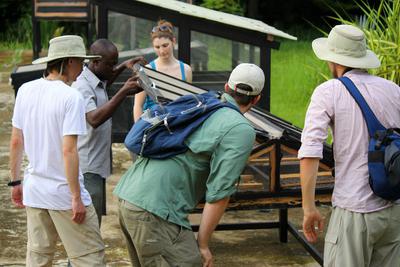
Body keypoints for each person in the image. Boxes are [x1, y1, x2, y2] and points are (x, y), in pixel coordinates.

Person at [115, 63, 265, 266]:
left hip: (129, 193)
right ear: (257, 98)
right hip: (154, 209)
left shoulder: (204, 102)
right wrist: (202, 244)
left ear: (226, 87)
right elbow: (220, 192)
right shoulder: (240, 128)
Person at [299, 24, 400, 266]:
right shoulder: (393, 90)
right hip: (394, 209)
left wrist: (309, 208)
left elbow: (310, 151)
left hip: (354, 209)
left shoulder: (328, 91)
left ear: (333, 61)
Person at [9, 35, 106, 266]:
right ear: (69, 61)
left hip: (35, 190)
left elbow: (15, 141)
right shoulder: (72, 96)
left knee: (39, 258)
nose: (82, 69)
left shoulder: (25, 89)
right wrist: (76, 198)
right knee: (90, 257)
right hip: (63, 194)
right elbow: (69, 151)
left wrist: (15, 182)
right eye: (81, 63)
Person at [72, 39, 144, 226]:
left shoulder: (95, 78)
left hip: (97, 165)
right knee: (88, 226)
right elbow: (94, 119)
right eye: (110, 64)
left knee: (94, 221)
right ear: (95, 62)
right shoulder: (82, 86)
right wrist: (123, 92)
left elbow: (107, 78)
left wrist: (123, 67)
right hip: (88, 168)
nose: (113, 68)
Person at [133, 19, 192, 122]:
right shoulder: (146, 71)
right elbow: (138, 105)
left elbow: (188, 103)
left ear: (173, 41)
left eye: (165, 45)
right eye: (157, 47)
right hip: (153, 127)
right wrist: (139, 131)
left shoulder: (186, 70)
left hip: (179, 124)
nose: (161, 51)